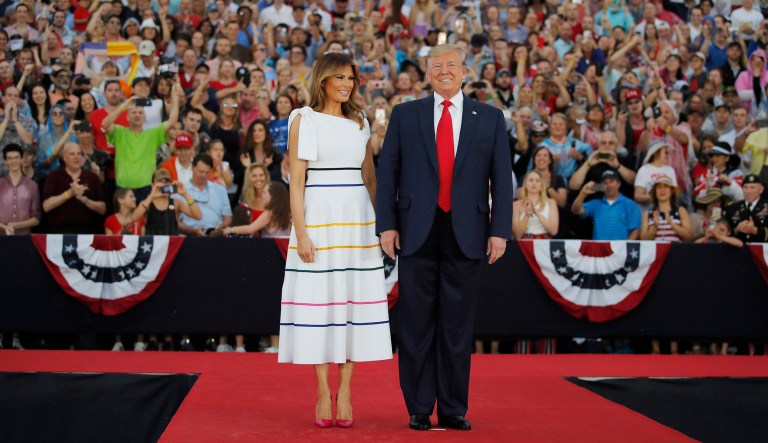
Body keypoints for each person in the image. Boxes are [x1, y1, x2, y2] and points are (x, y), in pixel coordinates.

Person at [377, 44, 512, 431]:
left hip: (468, 233)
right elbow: (388, 174)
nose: (444, 71)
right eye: (437, 66)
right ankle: (419, 406)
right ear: (427, 72)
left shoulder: (489, 117)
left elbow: (502, 182)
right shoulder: (406, 115)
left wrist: (499, 231)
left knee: (456, 326)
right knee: (416, 323)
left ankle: (453, 407)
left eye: (451, 65)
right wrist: (386, 224)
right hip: (415, 233)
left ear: (465, 71)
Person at [278, 52, 392, 429]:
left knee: (352, 305)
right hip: (319, 217)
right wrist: (302, 231)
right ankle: (323, 390)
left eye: (351, 78)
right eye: (340, 77)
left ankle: (345, 390)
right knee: (319, 304)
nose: (346, 84)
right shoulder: (303, 119)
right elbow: (297, 181)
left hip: (357, 219)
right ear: (323, 78)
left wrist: (380, 226)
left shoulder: (361, 122)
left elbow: (371, 179)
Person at [102, 81, 184, 201]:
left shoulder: (152, 134)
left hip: (146, 187)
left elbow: (172, 121)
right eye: (133, 112)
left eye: (140, 113)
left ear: (144, 117)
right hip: (123, 187)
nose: (137, 115)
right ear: (127, 117)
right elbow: (105, 124)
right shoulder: (120, 132)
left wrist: (175, 99)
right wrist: (124, 106)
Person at [42, 142, 107, 233]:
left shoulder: (92, 177)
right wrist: (70, 193)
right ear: (65, 158)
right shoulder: (53, 176)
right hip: (59, 233)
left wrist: (84, 200)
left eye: (79, 154)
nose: (76, 157)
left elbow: (102, 209)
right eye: (72, 154)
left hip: (87, 233)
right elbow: (46, 206)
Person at [572, 169, 641, 240]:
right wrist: (583, 193)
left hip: (620, 249)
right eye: (605, 183)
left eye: (611, 182)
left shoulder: (630, 204)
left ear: (618, 184)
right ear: (601, 186)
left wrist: (623, 248)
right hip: (599, 249)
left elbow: (636, 230)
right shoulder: (596, 204)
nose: (608, 185)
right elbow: (576, 210)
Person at [133, 168, 201, 235]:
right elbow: (134, 218)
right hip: (153, 244)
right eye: (160, 181)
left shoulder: (176, 203)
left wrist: (185, 194)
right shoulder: (147, 202)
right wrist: (151, 196)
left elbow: (198, 216)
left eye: (166, 182)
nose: (163, 185)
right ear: (153, 184)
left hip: (172, 244)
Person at [178, 154, 232, 236]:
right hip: (189, 238)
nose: (203, 175)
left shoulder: (220, 190)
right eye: (201, 171)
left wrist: (219, 229)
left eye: (207, 172)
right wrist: (193, 231)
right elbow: (175, 222)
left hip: (215, 237)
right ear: (192, 168)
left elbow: (228, 219)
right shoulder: (181, 190)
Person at [0, 144, 40, 235]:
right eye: (10, 158)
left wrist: (15, 225)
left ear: (21, 159)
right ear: (5, 161)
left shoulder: (32, 186)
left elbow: (36, 218)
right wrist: (4, 227)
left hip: (24, 238)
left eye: (16, 157)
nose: (13, 161)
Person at [640, 175, 694, 242]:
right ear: (655, 192)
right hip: (656, 252)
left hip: (676, 251)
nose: (662, 190)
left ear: (672, 191)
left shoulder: (681, 211)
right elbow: (643, 240)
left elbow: (689, 237)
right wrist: (654, 227)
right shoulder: (648, 213)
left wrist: (672, 224)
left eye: (666, 186)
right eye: (659, 187)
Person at [513, 170, 559, 239]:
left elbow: (554, 231)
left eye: (537, 180)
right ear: (525, 184)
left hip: (545, 244)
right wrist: (526, 216)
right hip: (524, 245)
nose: (534, 183)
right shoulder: (516, 205)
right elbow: (517, 235)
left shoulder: (551, 202)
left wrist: (537, 212)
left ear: (542, 185)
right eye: (531, 180)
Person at [724, 174, 768, 243]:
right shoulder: (732, 207)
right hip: (738, 250)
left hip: (762, 250)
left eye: (752, 187)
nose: (748, 191)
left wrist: (755, 230)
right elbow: (723, 233)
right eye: (745, 187)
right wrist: (737, 229)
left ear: (761, 189)